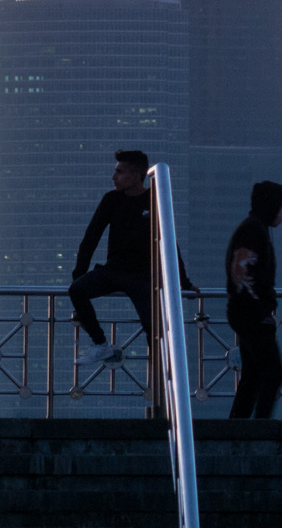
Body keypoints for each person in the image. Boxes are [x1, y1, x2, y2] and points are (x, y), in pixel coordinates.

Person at [69, 150, 194, 366]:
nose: (113, 177)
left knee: (154, 330)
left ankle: (161, 385)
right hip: (113, 271)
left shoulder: (154, 200)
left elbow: (169, 243)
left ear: (137, 175)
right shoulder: (111, 200)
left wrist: (184, 283)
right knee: (77, 290)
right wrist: (79, 276)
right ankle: (101, 345)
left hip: (142, 277)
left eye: (119, 172)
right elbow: (90, 239)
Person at [226, 180, 282, 418]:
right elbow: (243, 275)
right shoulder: (254, 230)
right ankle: (260, 429)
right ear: (271, 205)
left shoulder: (256, 228)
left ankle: (240, 429)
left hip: (247, 313)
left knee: (253, 376)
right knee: (273, 373)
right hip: (251, 315)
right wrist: (261, 313)